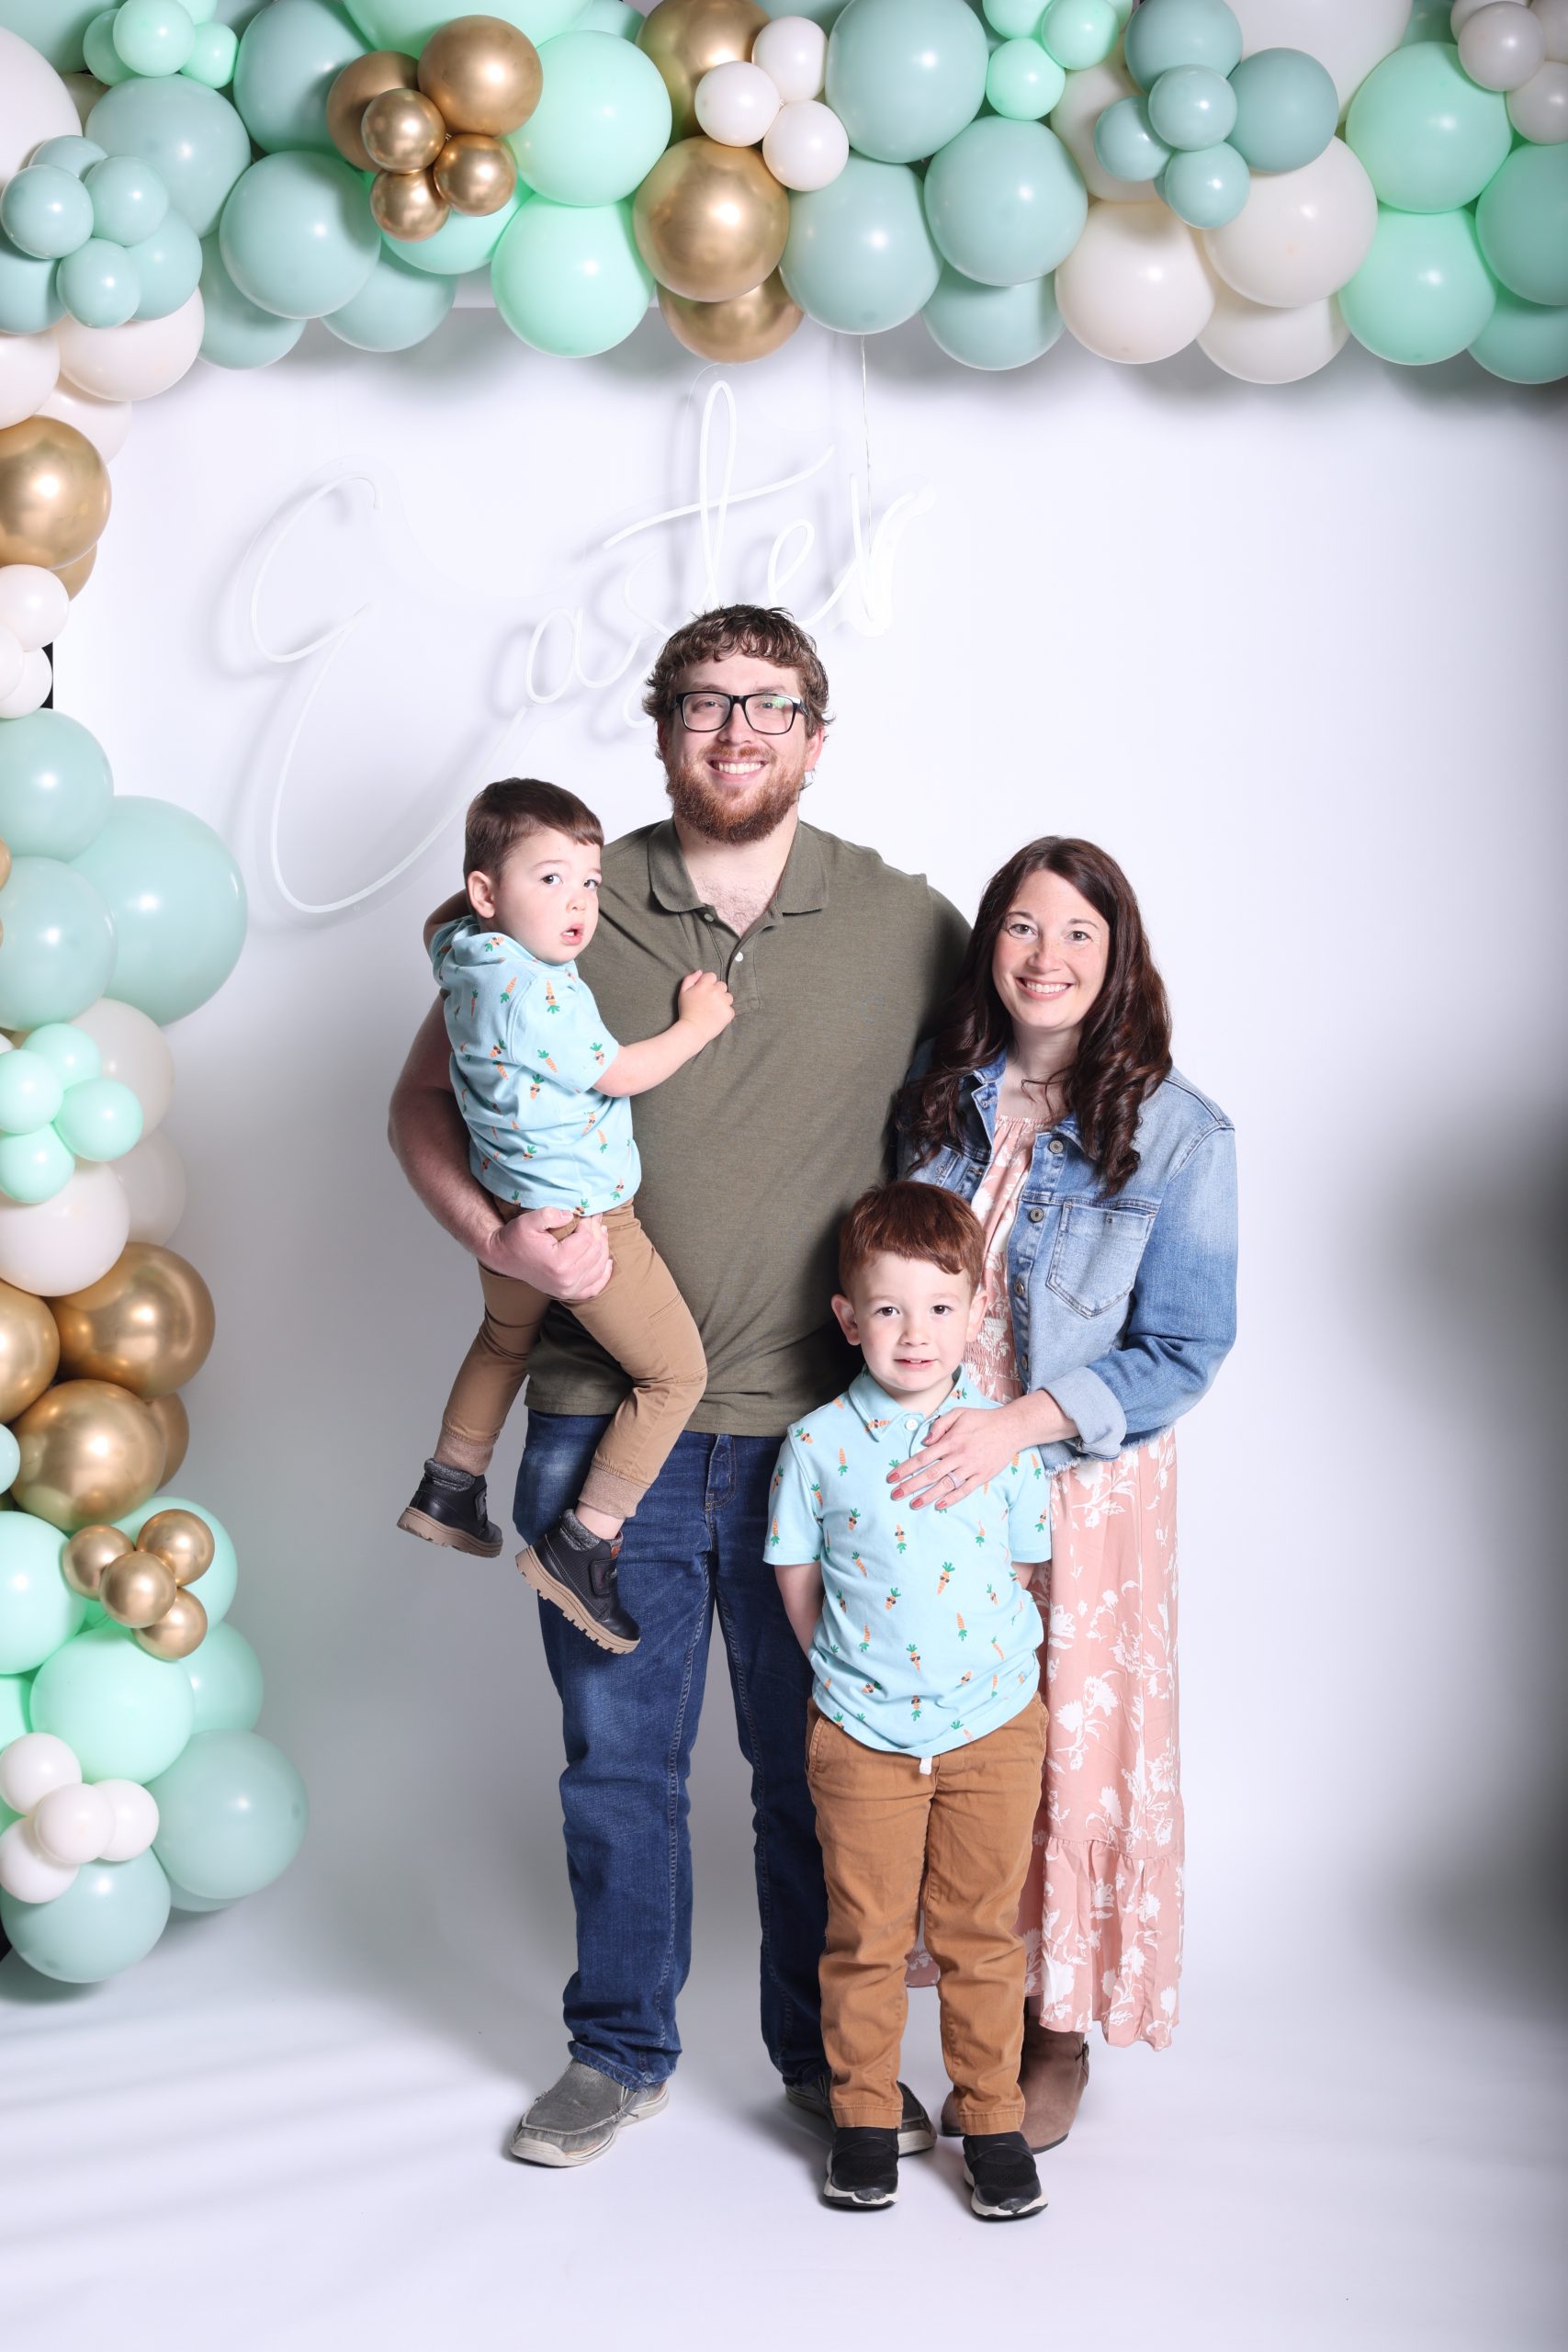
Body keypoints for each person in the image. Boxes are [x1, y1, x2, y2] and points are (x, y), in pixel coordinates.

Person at [389, 605, 970, 2168]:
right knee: (618, 1770)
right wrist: (493, 1234)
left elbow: (1020, 1076)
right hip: (600, 1424)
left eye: (769, 706)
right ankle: (617, 2050)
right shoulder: (565, 892)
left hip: (817, 1443)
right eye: (704, 703)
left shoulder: (905, 920)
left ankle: (827, 2061)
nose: (735, 731)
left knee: (814, 1776)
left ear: (815, 739)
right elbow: (421, 1103)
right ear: (659, 728)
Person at [897, 836, 1236, 2151]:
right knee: (957, 1742)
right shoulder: (939, 1097)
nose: (1047, 957)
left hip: (1077, 1489)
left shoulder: (1179, 1131)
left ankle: (1056, 2032)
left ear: (1117, 957)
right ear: (990, 943)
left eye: (1078, 934)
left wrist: (1020, 1428)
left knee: (1061, 1754)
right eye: (1023, 927)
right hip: (940, 1481)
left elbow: (1183, 1349)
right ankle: (965, 2007)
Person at [395, 778, 733, 1655]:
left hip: (509, 1204)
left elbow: (436, 917)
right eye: (549, 880)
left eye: (588, 881)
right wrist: (697, 1024)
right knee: (675, 1377)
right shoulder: (536, 993)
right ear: (485, 891)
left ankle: (450, 1484)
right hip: (584, 1220)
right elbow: (620, 1072)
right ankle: (584, 1541)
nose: (578, 904)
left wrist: (517, 888)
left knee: (503, 1340)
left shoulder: (459, 950)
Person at [772, 1180, 1053, 2221]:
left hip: (992, 1727)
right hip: (862, 1735)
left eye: (939, 1307)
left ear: (976, 1312)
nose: (915, 1333)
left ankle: (992, 2120)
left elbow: (1021, 1566)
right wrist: (850, 1680)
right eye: (888, 1309)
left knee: (981, 1936)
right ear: (848, 1319)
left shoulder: (1001, 1443)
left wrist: (968, 1675)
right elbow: (796, 1574)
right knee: (866, 1936)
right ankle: (861, 2119)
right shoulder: (817, 1445)